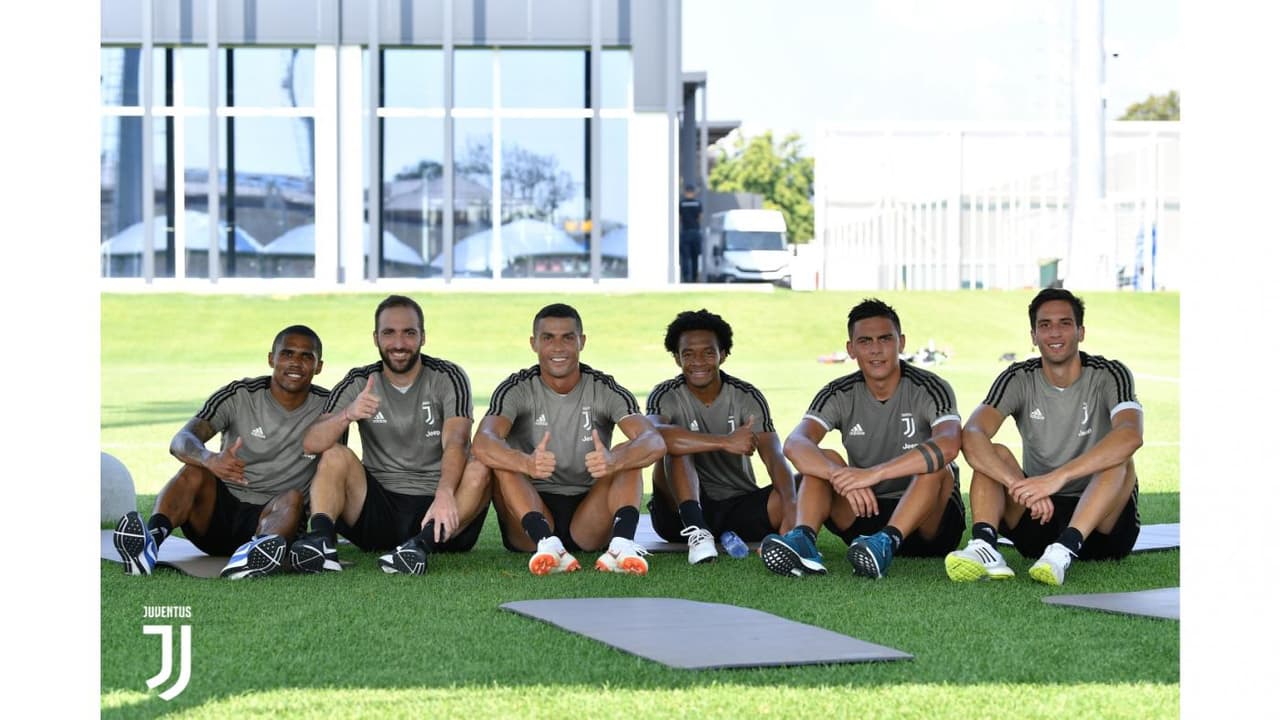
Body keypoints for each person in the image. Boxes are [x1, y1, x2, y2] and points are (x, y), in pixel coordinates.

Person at [946, 288, 1142, 586]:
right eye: (1045, 325)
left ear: (1081, 331)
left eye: (1065, 323)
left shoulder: (1109, 373)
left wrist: (1057, 478)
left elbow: (1130, 436)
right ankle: (985, 545)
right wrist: (1021, 486)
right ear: (1034, 335)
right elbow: (972, 434)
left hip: (1102, 527)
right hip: (1040, 515)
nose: (1054, 333)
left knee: (1120, 461)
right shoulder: (1018, 376)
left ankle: (1064, 550)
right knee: (993, 452)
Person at [761, 299, 966, 579]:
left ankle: (888, 541)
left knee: (936, 466)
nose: (876, 349)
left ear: (901, 342)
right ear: (851, 349)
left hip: (930, 526)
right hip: (866, 510)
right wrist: (839, 474)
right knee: (826, 459)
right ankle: (803, 541)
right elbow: (795, 444)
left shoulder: (931, 387)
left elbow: (949, 444)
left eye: (885, 339)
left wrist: (872, 473)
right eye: (865, 341)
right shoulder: (838, 392)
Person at [289, 294, 487, 576]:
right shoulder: (360, 380)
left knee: (480, 467)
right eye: (389, 333)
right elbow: (311, 442)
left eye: (409, 333)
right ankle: (321, 542)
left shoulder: (447, 376)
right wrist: (348, 414)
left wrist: (444, 493)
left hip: (439, 514)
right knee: (335, 453)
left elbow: (457, 441)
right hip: (378, 509)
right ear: (375, 338)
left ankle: (419, 548)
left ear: (423, 337)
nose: (399, 343)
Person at [112, 326, 330, 579]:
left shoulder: (329, 407)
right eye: (287, 353)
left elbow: (331, 471)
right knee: (194, 469)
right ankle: (149, 544)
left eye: (306, 356)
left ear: (319, 366)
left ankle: (252, 558)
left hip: (275, 519)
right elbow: (182, 440)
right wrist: (210, 459)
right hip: (216, 515)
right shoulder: (239, 395)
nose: (295, 363)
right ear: (271, 358)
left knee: (292, 497)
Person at [472, 303, 667, 575]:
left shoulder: (604, 387)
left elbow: (653, 441)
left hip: (587, 517)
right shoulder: (516, 388)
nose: (558, 347)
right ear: (534, 343)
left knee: (629, 452)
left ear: (582, 342)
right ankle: (547, 544)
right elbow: (482, 442)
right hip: (529, 516)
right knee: (503, 458)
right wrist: (526, 463)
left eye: (568, 337)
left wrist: (614, 460)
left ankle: (621, 546)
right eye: (548, 338)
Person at [645, 309, 797, 564]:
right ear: (676, 358)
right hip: (678, 518)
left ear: (723, 355)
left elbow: (774, 456)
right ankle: (699, 533)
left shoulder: (747, 395)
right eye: (688, 354)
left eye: (708, 352)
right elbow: (652, 437)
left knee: (802, 484)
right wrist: (725, 442)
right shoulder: (665, 394)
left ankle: (795, 535)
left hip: (738, 507)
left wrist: (791, 506)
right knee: (675, 444)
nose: (698, 362)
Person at [678, 183, 703, 283]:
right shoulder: (698, 203)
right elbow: (700, 217)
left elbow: (679, 218)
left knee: (685, 257)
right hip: (695, 232)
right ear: (693, 192)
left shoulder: (681, 203)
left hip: (685, 232)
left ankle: (685, 277)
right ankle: (694, 277)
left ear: (685, 192)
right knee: (695, 257)